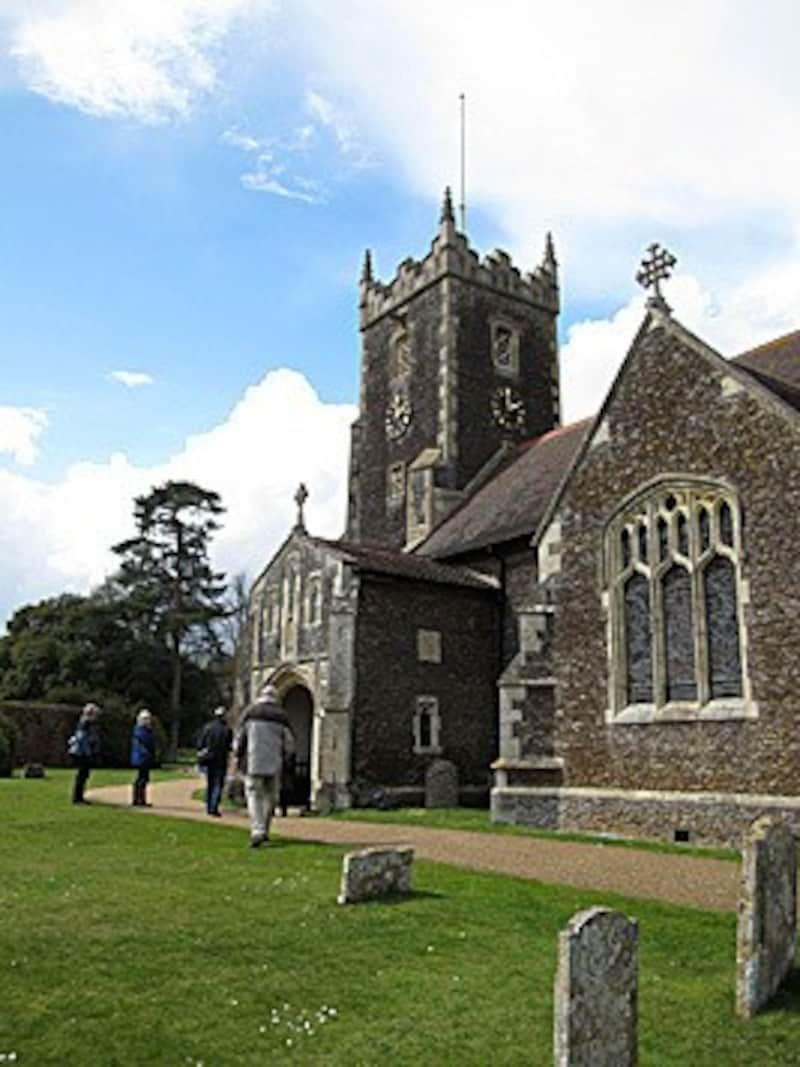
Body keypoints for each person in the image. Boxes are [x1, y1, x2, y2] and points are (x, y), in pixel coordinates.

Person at [235, 684, 294, 848]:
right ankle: (265, 829)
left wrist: (238, 755)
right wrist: (287, 758)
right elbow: (289, 743)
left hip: (253, 761)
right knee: (272, 798)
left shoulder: (250, 713)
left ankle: (257, 830)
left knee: (254, 796)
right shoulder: (282, 716)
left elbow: (240, 738)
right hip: (275, 763)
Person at [197, 705, 233, 817]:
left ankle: (208, 807)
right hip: (221, 759)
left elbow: (200, 743)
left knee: (210, 783)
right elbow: (229, 746)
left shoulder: (208, 728)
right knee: (218, 784)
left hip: (209, 758)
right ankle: (214, 807)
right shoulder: (227, 730)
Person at [69, 702, 101, 805]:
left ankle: (79, 797)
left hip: (85, 752)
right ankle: (77, 798)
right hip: (82, 753)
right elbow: (82, 739)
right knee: (81, 775)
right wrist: (88, 752)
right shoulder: (85, 723)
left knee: (84, 775)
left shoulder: (88, 723)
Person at [130, 709, 157, 807]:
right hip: (142, 758)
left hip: (144, 757)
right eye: (146, 719)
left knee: (143, 779)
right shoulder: (140, 731)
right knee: (141, 779)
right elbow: (143, 745)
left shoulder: (145, 731)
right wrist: (147, 754)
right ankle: (138, 799)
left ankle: (141, 799)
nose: (148, 721)